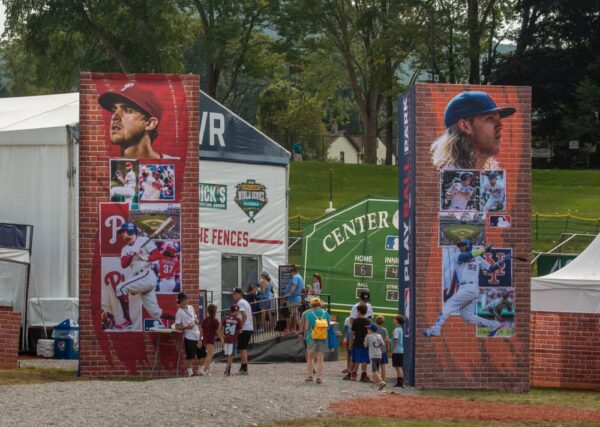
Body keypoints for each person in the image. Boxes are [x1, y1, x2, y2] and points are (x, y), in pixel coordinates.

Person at [423, 239, 511, 337]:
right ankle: (493, 325)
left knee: (449, 304)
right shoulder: (457, 256)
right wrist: (483, 250)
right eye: (460, 246)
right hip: (465, 288)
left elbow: (489, 269)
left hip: (470, 288)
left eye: (463, 245)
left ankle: (436, 328)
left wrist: (501, 262)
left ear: (469, 246)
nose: (461, 247)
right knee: (467, 317)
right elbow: (467, 256)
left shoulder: (478, 258)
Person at [431, 91, 516, 170]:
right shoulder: (451, 181)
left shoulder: (487, 176)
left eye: (499, 119)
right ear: (465, 126)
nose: (500, 125)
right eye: (489, 118)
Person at [98, 82, 178, 159]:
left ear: (150, 124)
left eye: (127, 110)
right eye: (113, 110)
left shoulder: (174, 165)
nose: (115, 116)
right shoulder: (106, 168)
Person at [113, 222, 164, 329]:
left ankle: (127, 320)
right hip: (139, 279)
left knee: (120, 288)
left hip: (146, 274)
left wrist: (146, 258)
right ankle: (177, 318)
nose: (121, 234)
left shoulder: (143, 240)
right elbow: (123, 264)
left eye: (123, 231)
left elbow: (158, 255)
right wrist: (131, 256)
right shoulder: (125, 249)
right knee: (156, 313)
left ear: (131, 230)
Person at [174, 292, 201, 377]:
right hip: (189, 336)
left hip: (197, 333)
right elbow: (177, 327)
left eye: (187, 299)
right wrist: (186, 327)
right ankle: (190, 373)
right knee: (190, 356)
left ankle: (200, 371)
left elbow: (196, 318)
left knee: (202, 353)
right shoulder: (179, 312)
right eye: (185, 300)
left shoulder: (191, 307)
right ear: (181, 301)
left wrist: (196, 320)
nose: (187, 301)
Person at [304, 298, 330, 384]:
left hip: (312, 338)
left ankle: (310, 376)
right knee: (320, 359)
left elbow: (307, 328)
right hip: (323, 338)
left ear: (311, 305)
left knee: (310, 358)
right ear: (320, 304)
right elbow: (328, 326)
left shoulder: (309, 314)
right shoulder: (325, 313)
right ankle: (319, 378)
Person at [344, 304, 370, 382]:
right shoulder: (368, 322)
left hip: (357, 343)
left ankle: (351, 374)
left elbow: (352, 333)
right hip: (365, 344)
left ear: (359, 311)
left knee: (354, 359)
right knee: (364, 359)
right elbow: (369, 333)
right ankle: (363, 375)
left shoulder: (355, 321)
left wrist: (351, 343)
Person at [232, 287, 253, 375]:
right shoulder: (245, 302)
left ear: (240, 294)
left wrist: (241, 326)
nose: (234, 296)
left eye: (235, 294)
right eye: (233, 294)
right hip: (249, 328)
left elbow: (244, 315)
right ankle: (242, 367)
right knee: (243, 348)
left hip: (244, 328)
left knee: (242, 348)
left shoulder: (240, 303)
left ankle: (244, 369)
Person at [200, 303, 222, 376]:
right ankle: (205, 369)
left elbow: (201, 330)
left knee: (209, 354)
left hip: (205, 338)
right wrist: (222, 338)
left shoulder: (205, 319)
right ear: (215, 311)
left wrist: (200, 339)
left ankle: (207, 369)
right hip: (210, 339)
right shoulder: (215, 320)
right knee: (210, 354)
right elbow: (218, 331)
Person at [364, 324, 387, 390]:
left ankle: (381, 382)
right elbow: (383, 344)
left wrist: (365, 340)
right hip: (379, 354)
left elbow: (365, 346)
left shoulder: (368, 336)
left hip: (373, 355)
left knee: (374, 370)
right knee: (377, 369)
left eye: (368, 329)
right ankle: (375, 383)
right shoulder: (379, 335)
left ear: (371, 330)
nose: (367, 330)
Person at [222, 305, 242, 376]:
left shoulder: (226, 318)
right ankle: (228, 369)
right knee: (231, 355)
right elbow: (240, 331)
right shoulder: (238, 320)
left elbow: (222, 326)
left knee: (228, 355)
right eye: (238, 311)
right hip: (233, 339)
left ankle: (227, 368)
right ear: (236, 311)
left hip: (226, 338)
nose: (238, 312)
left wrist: (223, 335)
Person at [283, 266, 304, 331]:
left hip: (293, 299)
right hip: (296, 298)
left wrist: (288, 294)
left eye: (290, 272)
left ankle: (299, 329)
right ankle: (295, 328)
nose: (290, 274)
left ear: (293, 272)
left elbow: (294, 285)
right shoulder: (300, 277)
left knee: (292, 315)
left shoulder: (295, 277)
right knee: (295, 314)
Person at [374, 316, 390, 381]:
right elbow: (387, 340)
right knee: (383, 366)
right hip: (383, 350)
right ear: (383, 322)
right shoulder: (384, 330)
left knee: (376, 366)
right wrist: (388, 348)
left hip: (375, 350)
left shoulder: (374, 329)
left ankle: (377, 379)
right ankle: (383, 379)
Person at [392, 314, 405, 388]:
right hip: (400, 350)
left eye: (394, 319)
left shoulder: (396, 330)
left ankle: (400, 383)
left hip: (397, 351)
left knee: (398, 367)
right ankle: (399, 382)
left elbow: (395, 341)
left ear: (397, 321)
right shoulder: (400, 329)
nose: (393, 320)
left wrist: (392, 351)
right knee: (398, 367)